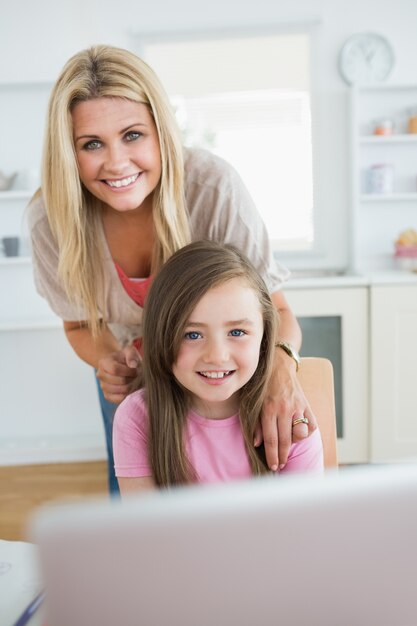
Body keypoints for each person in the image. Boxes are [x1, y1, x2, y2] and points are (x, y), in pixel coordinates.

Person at [28, 44, 316, 495]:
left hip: (225, 380)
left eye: (133, 135)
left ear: (161, 130)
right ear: (68, 151)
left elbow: (272, 307)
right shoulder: (52, 219)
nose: (117, 163)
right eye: (91, 144)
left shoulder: (212, 187)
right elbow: (80, 322)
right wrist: (110, 361)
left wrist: (282, 368)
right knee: (138, 511)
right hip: (137, 383)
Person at [113, 241, 323, 493]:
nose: (216, 356)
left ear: (265, 337)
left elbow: (303, 527)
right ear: (161, 337)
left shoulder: (288, 415)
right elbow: (144, 529)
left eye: (237, 331)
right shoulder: (137, 417)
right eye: (192, 335)